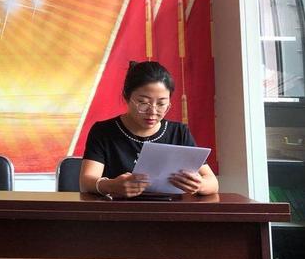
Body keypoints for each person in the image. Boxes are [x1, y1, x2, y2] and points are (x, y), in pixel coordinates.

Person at [80, 60, 218, 198]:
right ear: (127, 97)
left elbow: (213, 183)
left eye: (161, 104)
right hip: (119, 209)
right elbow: (86, 181)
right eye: (143, 103)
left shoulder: (179, 132)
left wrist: (199, 185)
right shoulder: (104, 131)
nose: (152, 111)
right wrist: (111, 185)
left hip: (171, 209)